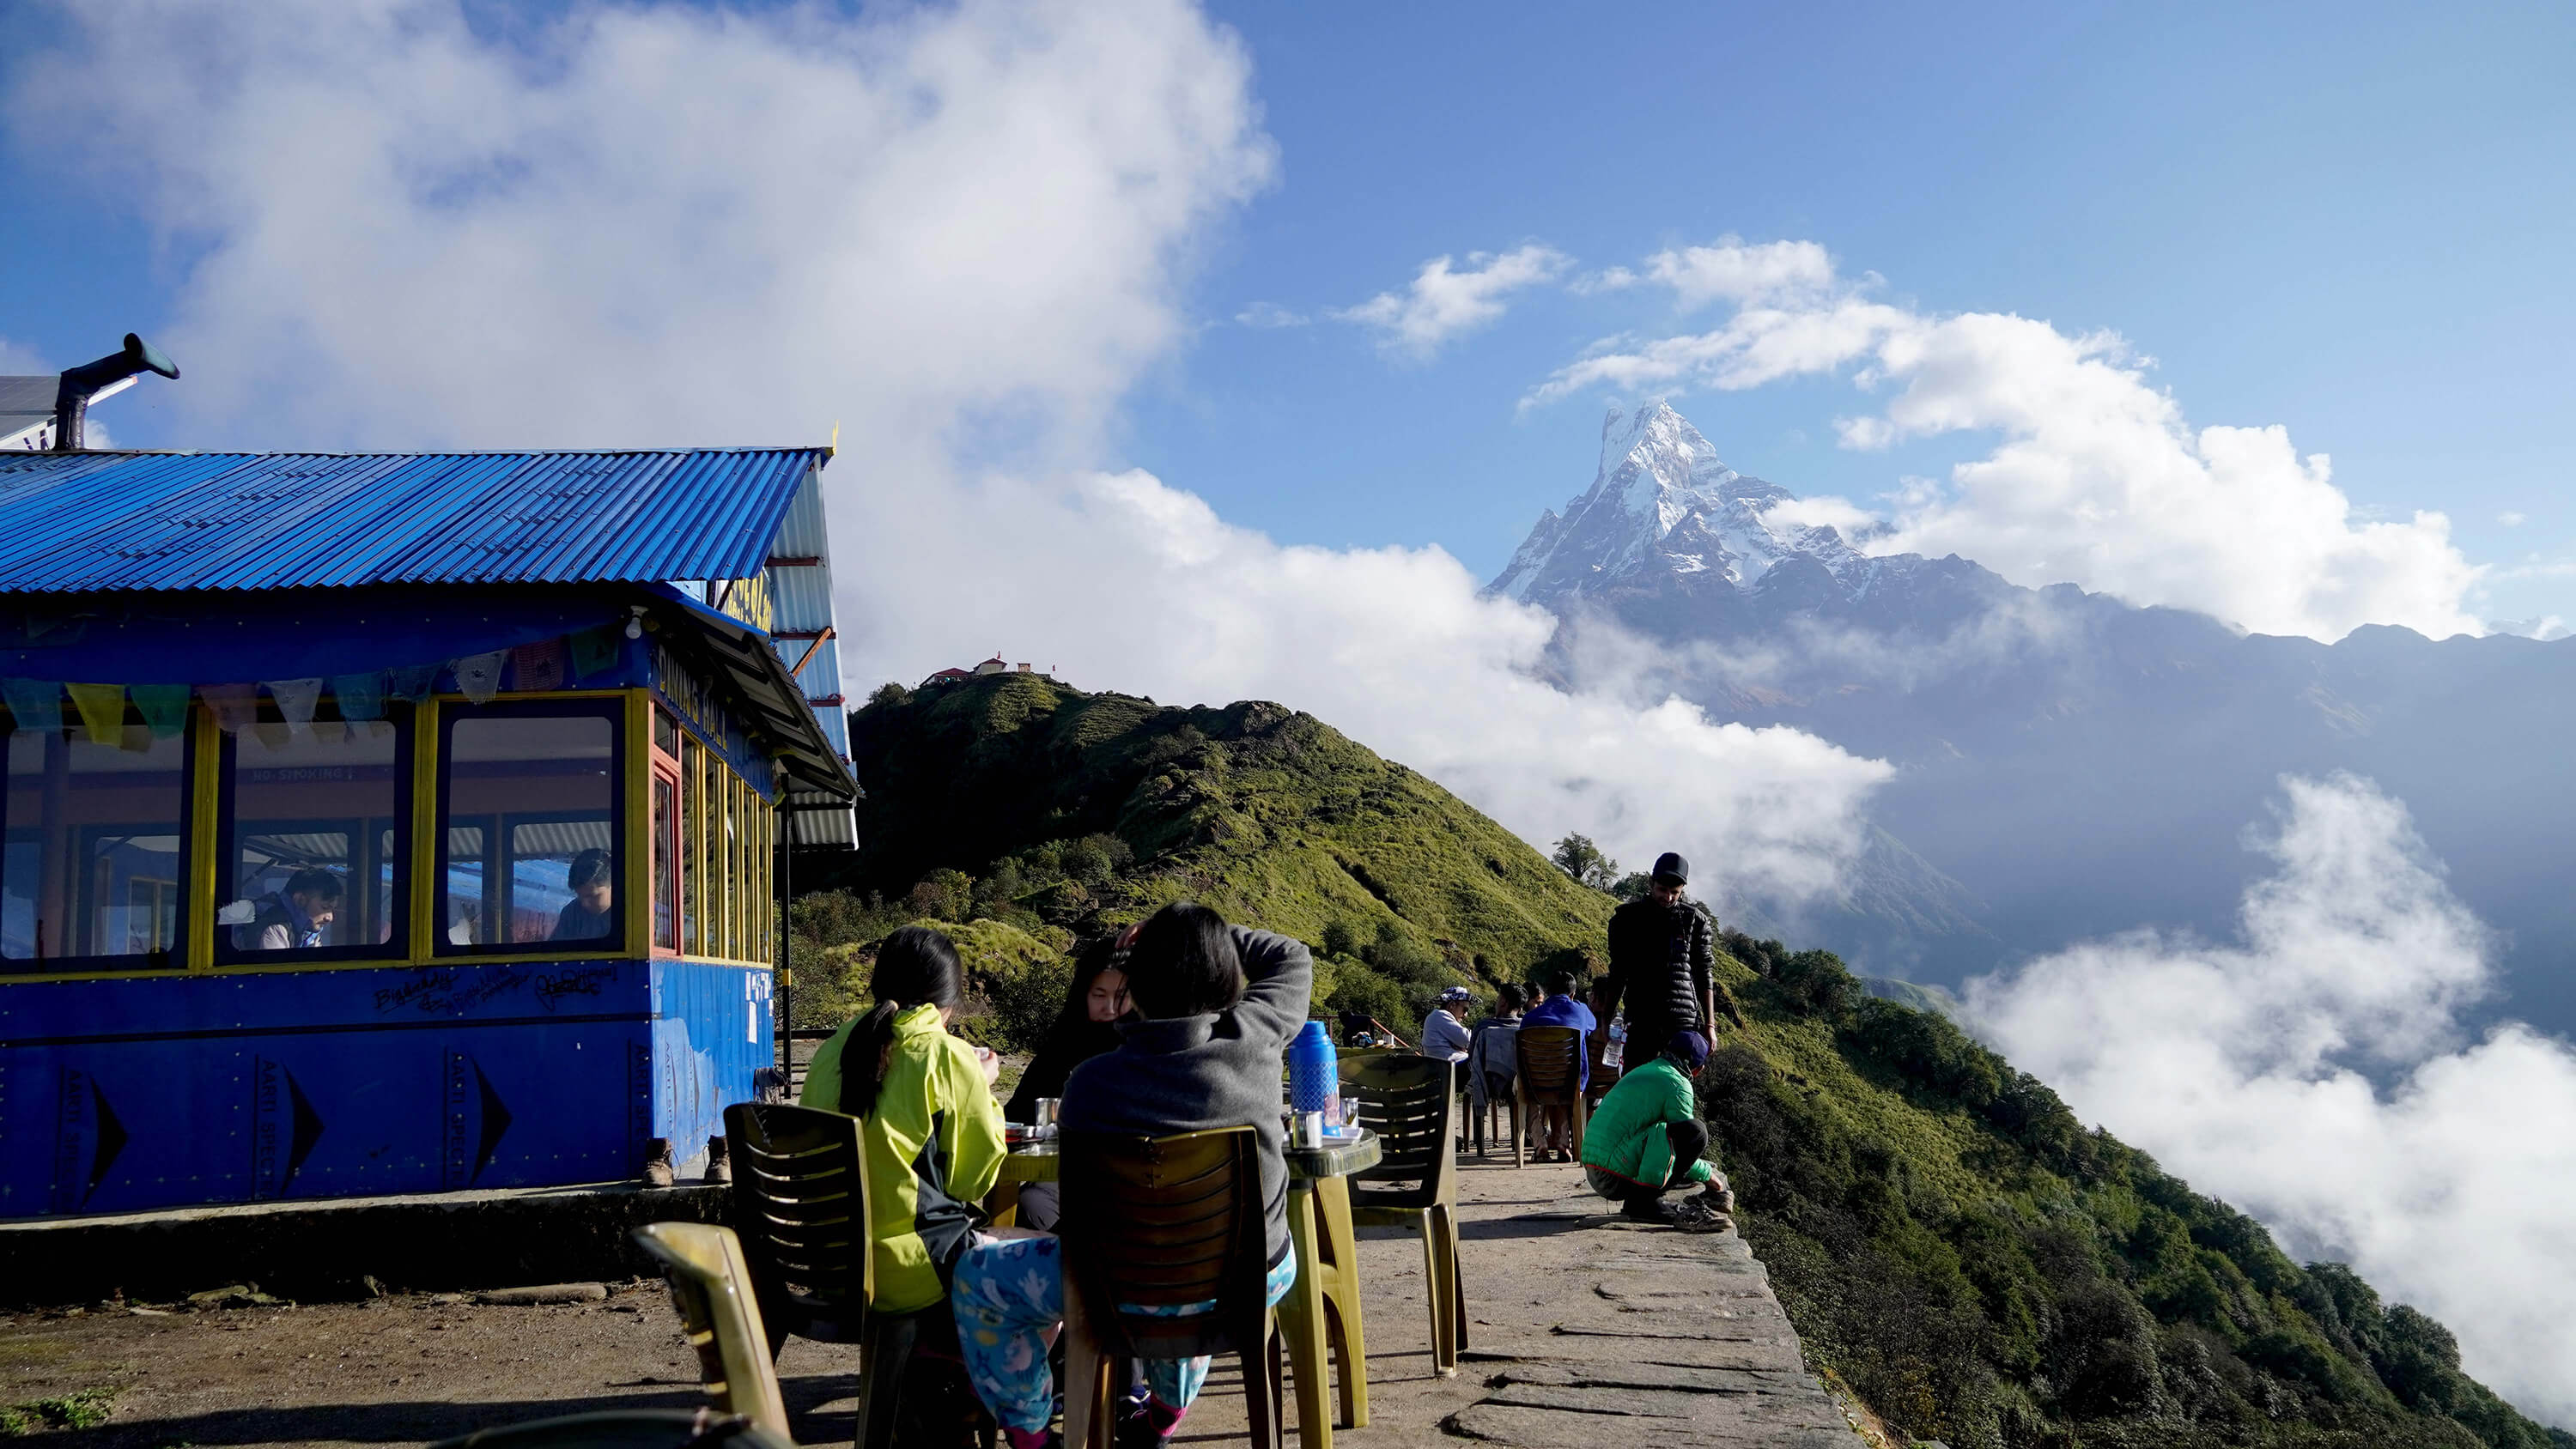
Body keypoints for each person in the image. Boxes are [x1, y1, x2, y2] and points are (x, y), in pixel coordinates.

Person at [951, 903, 1310, 1449]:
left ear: (1135, 988)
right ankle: (1162, 1415)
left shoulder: (1092, 1083)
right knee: (1191, 1263)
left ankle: (1030, 1437)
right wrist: (1206, 939)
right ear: (1225, 979)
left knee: (978, 1274)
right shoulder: (1257, 1038)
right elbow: (1290, 955)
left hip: (1120, 1287)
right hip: (1249, 1277)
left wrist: (1162, 940)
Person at [800, 926, 1006, 1314]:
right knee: (1054, 1267)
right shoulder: (945, 1055)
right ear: (948, 1002)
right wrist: (981, 1087)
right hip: (912, 1274)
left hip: (831, 1268)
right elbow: (973, 1181)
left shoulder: (831, 1051)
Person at [1001, 935, 1133, 1230]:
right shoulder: (1068, 1042)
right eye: (1100, 994)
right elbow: (1017, 1114)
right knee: (1031, 1205)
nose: (1111, 1007)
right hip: (1067, 1181)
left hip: (1142, 1190)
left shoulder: (1160, 1050)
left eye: (1123, 995)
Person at [1590, 852, 1743, 1084]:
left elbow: (1704, 974)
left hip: (1682, 1020)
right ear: (1651, 883)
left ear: (1682, 890)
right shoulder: (1626, 920)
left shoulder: (1696, 921)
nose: (1668, 897)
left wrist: (1710, 1025)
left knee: (1677, 1086)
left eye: (1675, 892)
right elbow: (1618, 972)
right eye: (1663, 889)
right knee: (1635, 1084)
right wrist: (1606, 1018)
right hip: (1642, 1016)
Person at [1579, 1029, 1735, 1229]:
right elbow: (1682, 1144)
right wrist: (1708, 1176)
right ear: (1698, 1070)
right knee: (1696, 1132)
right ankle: (1645, 1202)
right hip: (1614, 1177)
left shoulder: (1643, 1070)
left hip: (1595, 1169)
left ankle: (1642, 1198)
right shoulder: (1678, 1084)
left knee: (1671, 1132)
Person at [1519, 968, 1598, 1162]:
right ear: (1572, 994)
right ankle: (1562, 1143)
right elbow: (1593, 1026)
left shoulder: (1529, 1018)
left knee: (1523, 1089)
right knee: (1563, 1080)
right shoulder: (1580, 1011)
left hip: (1534, 1083)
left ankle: (1540, 1145)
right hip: (1570, 1082)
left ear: (1547, 993)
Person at [1464, 983, 1525, 1153]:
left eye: (1499, 998)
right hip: (1520, 1085)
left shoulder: (1484, 1027)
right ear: (1520, 1008)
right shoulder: (1526, 1027)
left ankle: (1479, 1145)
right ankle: (1518, 1141)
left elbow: (1472, 1056)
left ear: (1504, 1002)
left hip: (1487, 1083)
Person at [238, 868, 343, 950]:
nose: (330, 917)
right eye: (325, 907)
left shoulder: (308, 929)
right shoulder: (276, 927)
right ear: (300, 900)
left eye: (332, 909)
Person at [550, 848, 614, 941]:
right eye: (579, 896)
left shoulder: (634, 915)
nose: (584, 904)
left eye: (592, 896)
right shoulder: (571, 912)